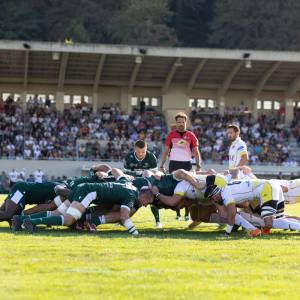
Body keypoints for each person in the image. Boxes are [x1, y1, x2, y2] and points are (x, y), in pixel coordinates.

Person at [22, 177, 154, 235]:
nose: (146, 205)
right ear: (142, 197)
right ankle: (31, 221)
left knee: (57, 213)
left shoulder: (129, 184)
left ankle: (20, 219)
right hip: (88, 192)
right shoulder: (131, 196)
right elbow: (124, 217)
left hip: (84, 189)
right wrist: (136, 234)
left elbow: (119, 176)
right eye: (147, 202)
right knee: (68, 220)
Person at [205, 180, 300, 236]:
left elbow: (232, 214)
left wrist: (227, 233)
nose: (213, 202)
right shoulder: (229, 184)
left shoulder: (225, 195)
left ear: (217, 193)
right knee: (279, 219)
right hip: (273, 186)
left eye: (212, 199)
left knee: (269, 223)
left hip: (266, 189)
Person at [161, 112, 201, 221]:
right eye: (179, 122)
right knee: (175, 189)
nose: (181, 124)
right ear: (176, 123)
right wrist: (162, 166)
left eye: (183, 122)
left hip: (186, 164)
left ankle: (187, 215)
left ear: (186, 122)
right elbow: (166, 152)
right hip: (173, 163)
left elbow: (196, 152)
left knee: (187, 189)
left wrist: (198, 165)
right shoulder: (171, 135)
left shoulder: (191, 136)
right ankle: (178, 214)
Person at [123, 140, 162, 228]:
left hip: (147, 181)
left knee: (153, 197)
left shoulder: (151, 156)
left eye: (143, 151)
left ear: (146, 149)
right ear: (134, 149)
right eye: (138, 152)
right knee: (124, 198)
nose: (140, 154)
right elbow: (126, 173)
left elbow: (154, 172)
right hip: (133, 180)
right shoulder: (129, 156)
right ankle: (120, 219)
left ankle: (158, 221)